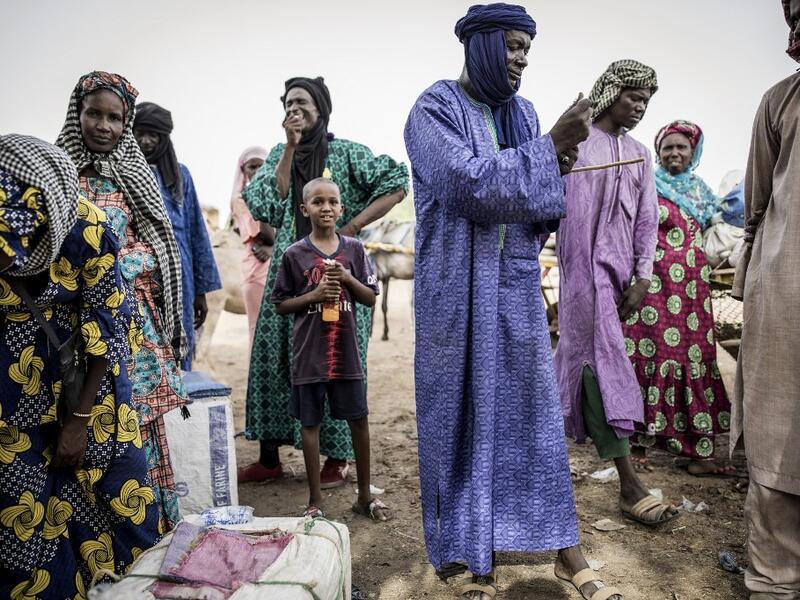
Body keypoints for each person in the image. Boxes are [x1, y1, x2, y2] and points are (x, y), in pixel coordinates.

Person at [405, 5, 624, 600]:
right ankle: (473, 557)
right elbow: (466, 185)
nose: (522, 59)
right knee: (463, 415)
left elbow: (543, 204)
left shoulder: (523, 114)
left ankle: (564, 548)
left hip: (516, 284)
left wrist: (555, 164)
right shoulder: (434, 108)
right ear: (477, 46)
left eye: (528, 48)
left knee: (532, 415)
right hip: (455, 289)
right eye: (512, 46)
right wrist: (547, 150)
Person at [0, 134, 160, 598]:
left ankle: (138, 588)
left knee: (121, 500)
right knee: (21, 524)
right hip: (14, 394)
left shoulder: (86, 231)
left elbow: (107, 332)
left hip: (92, 381)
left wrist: (80, 419)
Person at [239, 76, 408, 487]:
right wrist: (291, 146)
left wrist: (351, 226)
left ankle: (337, 459)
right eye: (289, 103)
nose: (295, 108)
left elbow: (396, 182)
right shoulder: (282, 151)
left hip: (338, 273)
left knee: (335, 360)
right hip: (290, 269)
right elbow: (261, 203)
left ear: (321, 108)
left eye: (303, 102)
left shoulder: (347, 152)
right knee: (274, 359)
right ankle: (269, 457)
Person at [56, 71, 187, 532]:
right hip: (64, 323)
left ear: (126, 123)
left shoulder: (137, 177)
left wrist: (108, 264)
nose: (104, 125)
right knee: (75, 424)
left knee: (136, 427)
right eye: (94, 114)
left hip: (128, 326)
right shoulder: (56, 174)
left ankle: (149, 536)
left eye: (115, 117)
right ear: (79, 114)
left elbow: (157, 248)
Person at [554, 60, 680, 527]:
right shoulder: (576, 142)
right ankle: (628, 484)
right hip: (579, 276)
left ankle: (610, 472)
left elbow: (646, 221)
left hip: (617, 277)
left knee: (595, 358)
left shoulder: (640, 154)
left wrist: (643, 277)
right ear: (610, 94)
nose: (640, 108)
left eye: (647, 101)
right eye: (633, 98)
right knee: (597, 360)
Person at [731, 1, 800, 596]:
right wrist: (749, 281)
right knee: (779, 428)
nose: (797, 28)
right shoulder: (779, 100)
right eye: (792, 15)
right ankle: (775, 578)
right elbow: (756, 207)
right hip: (784, 287)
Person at [270, 177, 388, 521]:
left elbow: (369, 298)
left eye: (332, 202)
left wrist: (348, 279)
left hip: (346, 353)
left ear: (341, 208)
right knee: (310, 425)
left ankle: (364, 495)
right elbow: (280, 304)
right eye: (318, 202)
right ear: (305, 209)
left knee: (359, 420)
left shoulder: (354, 250)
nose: (326, 208)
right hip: (309, 355)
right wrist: (315, 296)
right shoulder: (295, 254)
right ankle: (315, 501)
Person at [622, 120, 733, 475]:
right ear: (658, 152)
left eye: (681, 147)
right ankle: (637, 443)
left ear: (693, 152)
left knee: (692, 356)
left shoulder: (703, 194)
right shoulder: (647, 185)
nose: (674, 153)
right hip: (652, 287)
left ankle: (696, 452)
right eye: (667, 147)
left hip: (692, 292)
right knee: (647, 351)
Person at [133, 102, 222, 370]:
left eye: (154, 135)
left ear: (164, 138)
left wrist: (201, 291)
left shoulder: (181, 176)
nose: (146, 142)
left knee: (177, 346)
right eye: (140, 133)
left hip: (180, 280)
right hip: (139, 276)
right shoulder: (124, 174)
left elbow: (197, 233)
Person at [229, 146, 271, 346]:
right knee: (257, 329)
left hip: (273, 260)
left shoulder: (272, 193)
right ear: (244, 171)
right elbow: (267, 235)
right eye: (251, 167)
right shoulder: (241, 198)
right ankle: (256, 377)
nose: (256, 172)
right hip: (257, 265)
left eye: (260, 166)